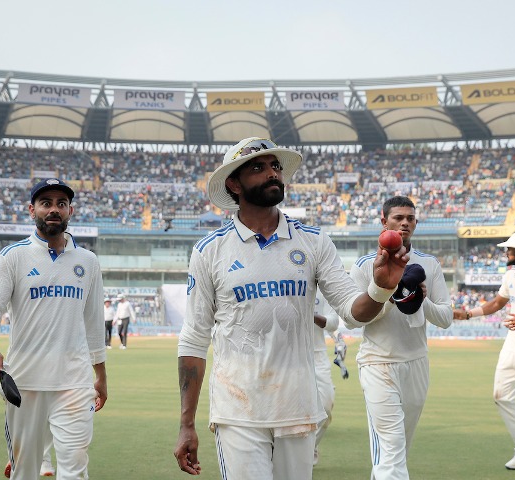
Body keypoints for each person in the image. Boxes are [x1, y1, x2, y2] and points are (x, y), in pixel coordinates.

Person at [174, 137, 409, 480]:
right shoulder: (210, 251)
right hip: (237, 412)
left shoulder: (314, 241)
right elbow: (193, 341)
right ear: (233, 183)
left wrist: (382, 286)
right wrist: (185, 424)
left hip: (298, 410)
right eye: (258, 167)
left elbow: (352, 311)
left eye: (275, 167)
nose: (272, 174)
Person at [0, 178, 107, 479]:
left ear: (70, 211)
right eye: (46, 203)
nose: (54, 210)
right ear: (31, 209)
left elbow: (93, 323)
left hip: (74, 383)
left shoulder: (88, 261)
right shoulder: (13, 256)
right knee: (25, 471)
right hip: (25, 383)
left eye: (61, 204)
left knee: (74, 471)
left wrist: (100, 376)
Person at [347, 196, 452, 480]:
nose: (405, 223)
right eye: (398, 218)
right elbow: (355, 319)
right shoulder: (364, 265)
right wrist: (391, 295)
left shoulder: (428, 264)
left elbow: (445, 317)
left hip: (416, 362)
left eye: (410, 218)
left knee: (397, 449)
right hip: (378, 362)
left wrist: (419, 298)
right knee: (391, 447)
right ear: (384, 221)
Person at [453, 232, 515, 477]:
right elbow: (496, 304)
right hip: (512, 343)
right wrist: (467, 314)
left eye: (510, 249)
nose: (506, 252)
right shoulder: (510, 276)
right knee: (501, 395)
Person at [313, 288, 340, 466]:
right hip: (285, 355)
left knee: (325, 408)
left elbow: (333, 322)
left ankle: (308, 448)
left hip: (316, 355)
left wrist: (311, 316)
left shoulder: (322, 287)